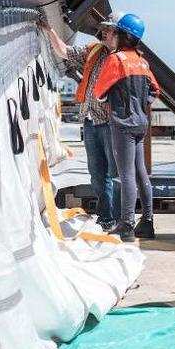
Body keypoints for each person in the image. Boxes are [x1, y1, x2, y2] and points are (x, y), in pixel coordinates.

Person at [43, 21, 117, 231]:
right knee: (96, 173)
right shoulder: (93, 51)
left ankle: (116, 218)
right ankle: (106, 218)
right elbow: (65, 51)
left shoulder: (122, 59)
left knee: (113, 173)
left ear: (120, 34)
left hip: (110, 124)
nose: (104, 33)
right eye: (103, 30)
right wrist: (49, 30)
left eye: (109, 30)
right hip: (91, 122)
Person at [93, 13, 159, 242]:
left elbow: (99, 93)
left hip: (122, 125)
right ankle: (147, 222)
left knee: (126, 175)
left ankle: (127, 225)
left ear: (124, 35)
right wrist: (142, 105)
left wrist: (114, 102)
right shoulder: (142, 62)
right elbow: (155, 90)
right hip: (141, 123)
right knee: (141, 173)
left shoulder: (116, 59)